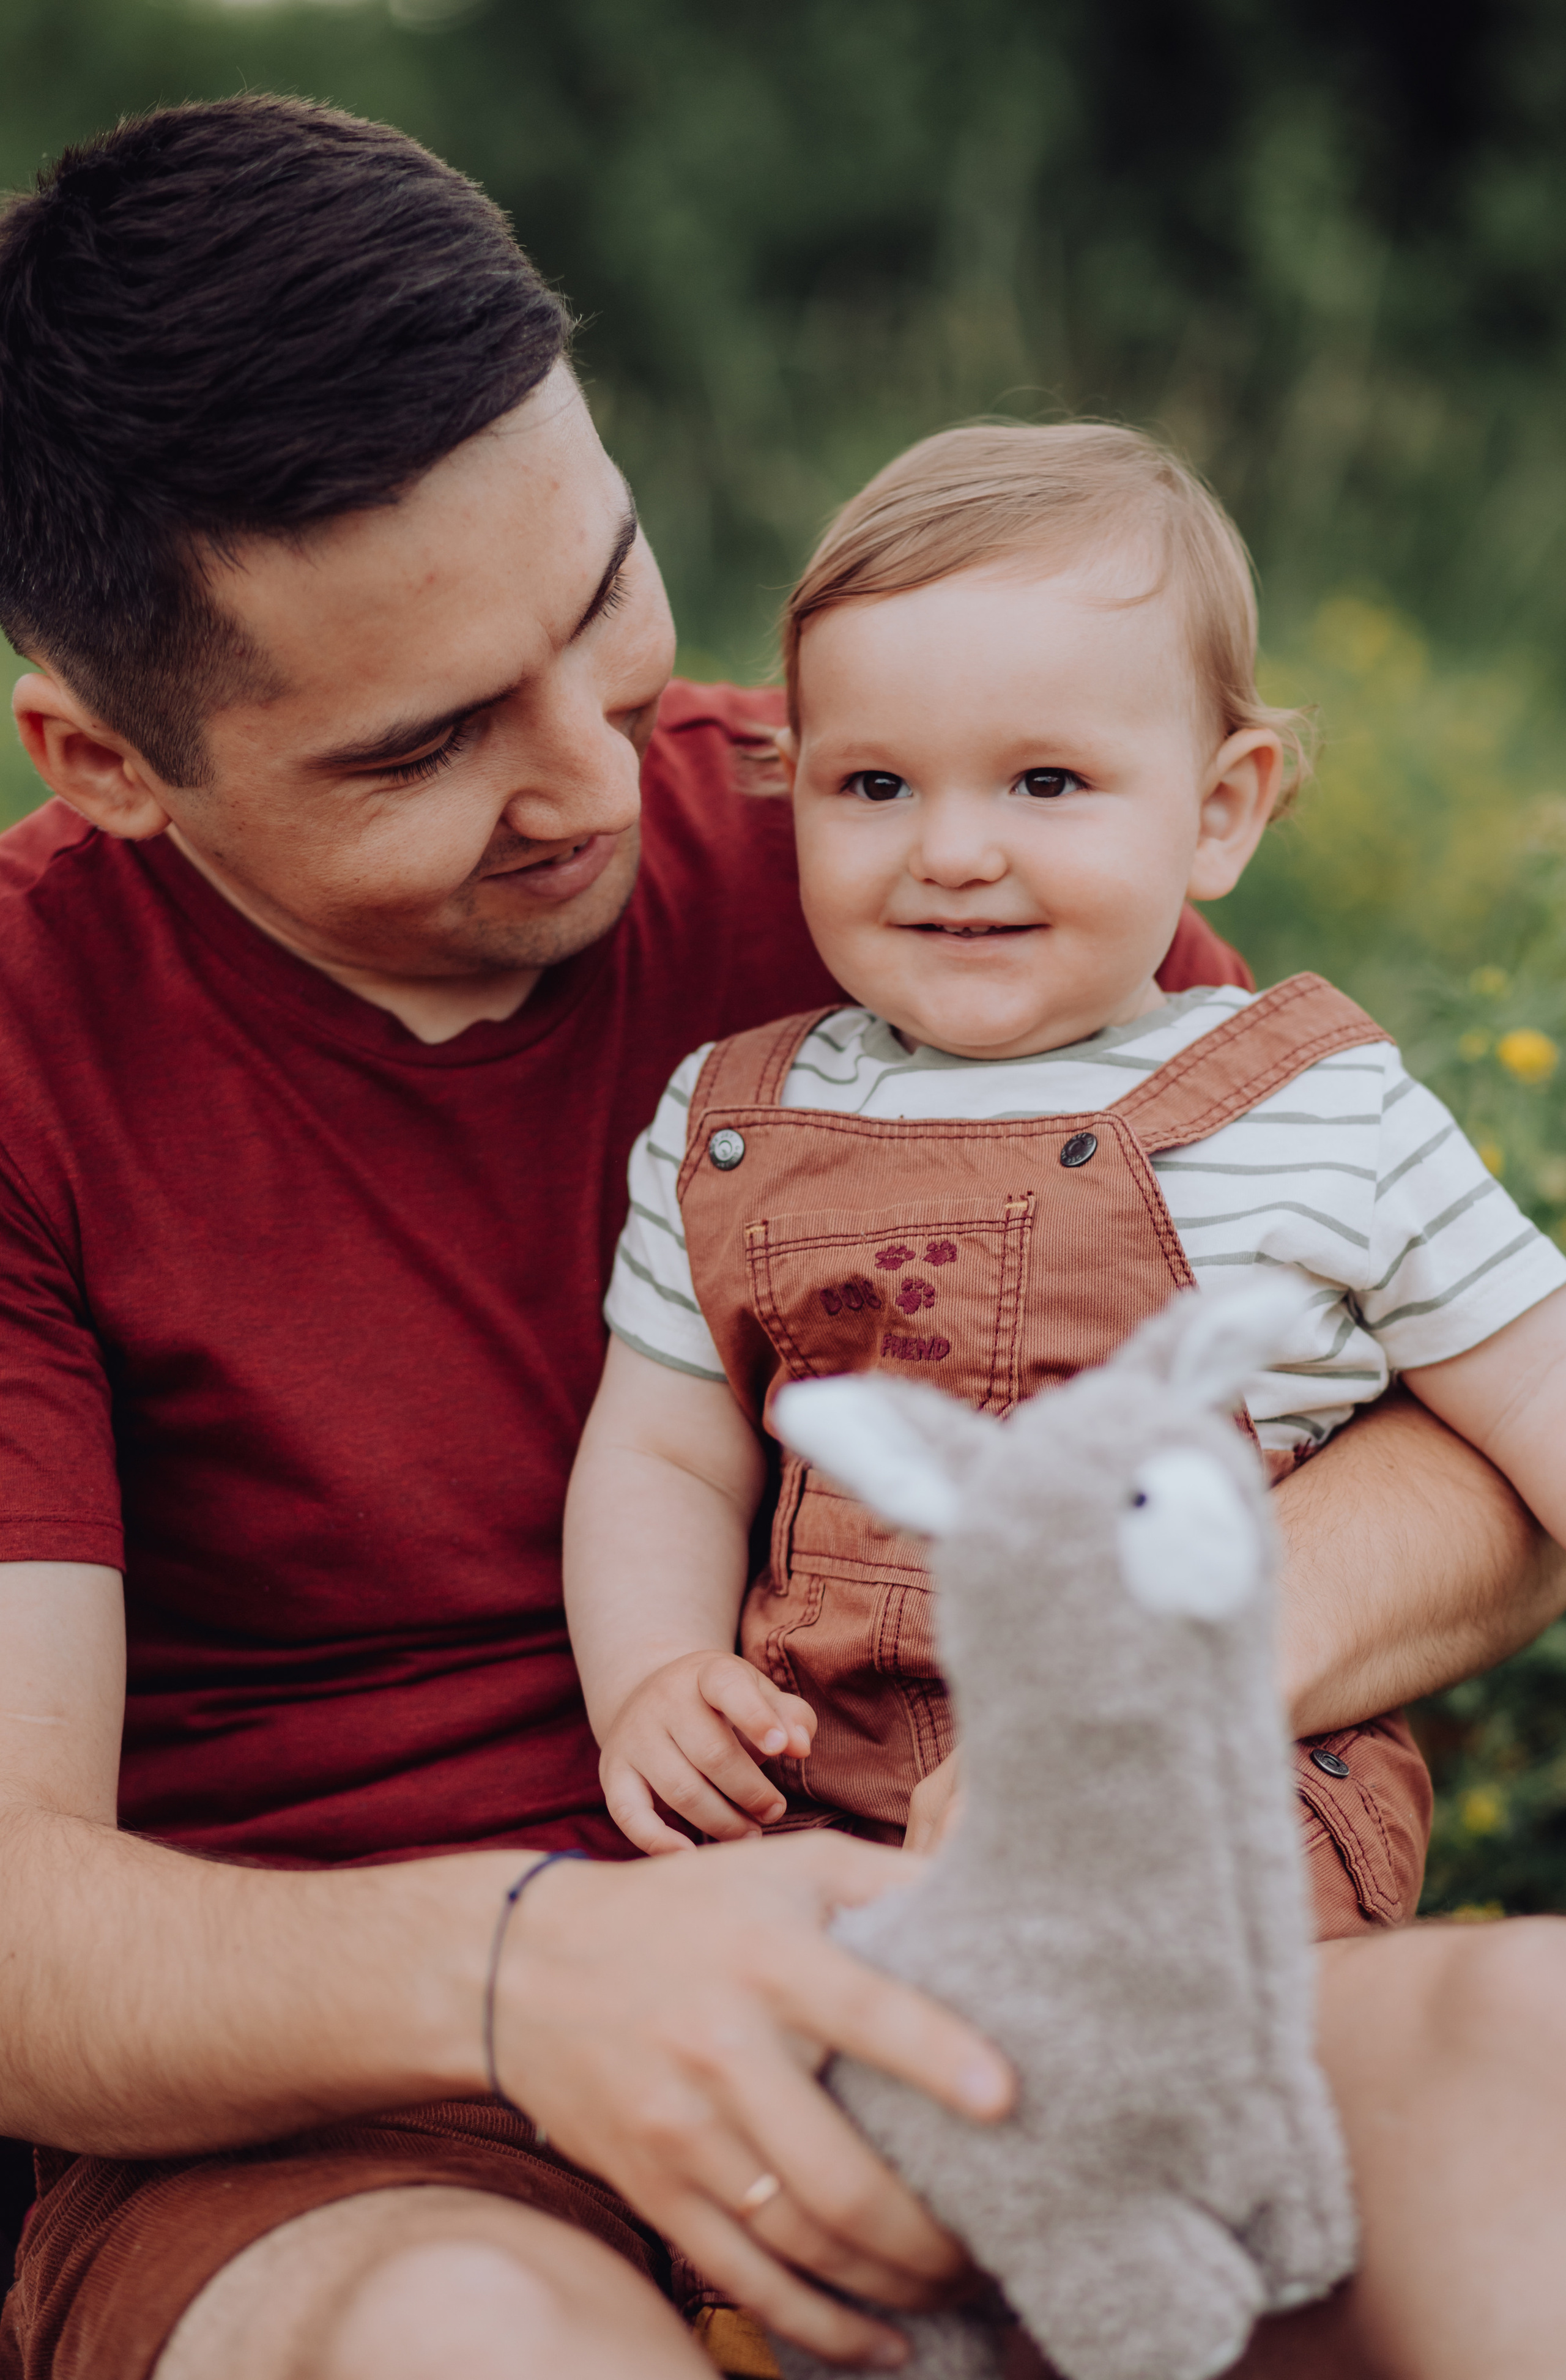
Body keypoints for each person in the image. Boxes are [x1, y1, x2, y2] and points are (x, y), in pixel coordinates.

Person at [0, 91, 1562, 2380]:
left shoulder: (909, 850)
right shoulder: (34, 1052)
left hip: (1047, 1964)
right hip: (383, 2128)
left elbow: (1474, 1457)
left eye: (602, 595)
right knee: (459, 2341)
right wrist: (537, 1974)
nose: (610, 772)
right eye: (430, 744)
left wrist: (1125, 1681)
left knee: (1524, 2065)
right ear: (107, 764)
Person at [565, 424, 1566, 1932]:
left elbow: (1537, 1391)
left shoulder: (1319, 1111)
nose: (952, 850)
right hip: (828, 1804)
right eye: (875, 784)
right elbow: (662, 1456)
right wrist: (649, 1673)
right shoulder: (727, 1118)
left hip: (1213, 1790)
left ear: (1220, 807)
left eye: (1043, 780)